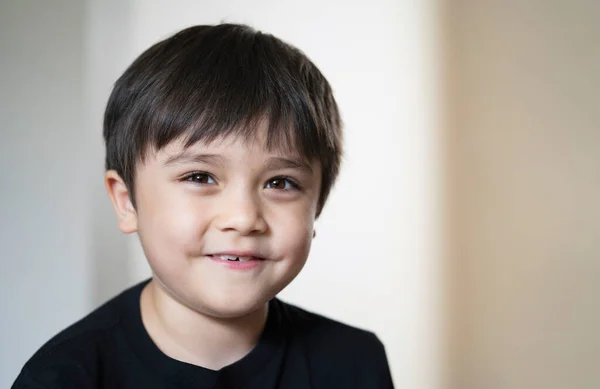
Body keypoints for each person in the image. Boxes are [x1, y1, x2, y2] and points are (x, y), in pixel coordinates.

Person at [12, 23, 394, 388]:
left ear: (316, 207)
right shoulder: (63, 377)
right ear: (127, 202)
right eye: (200, 177)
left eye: (281, 183)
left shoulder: (354, 364)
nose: (244, 219)